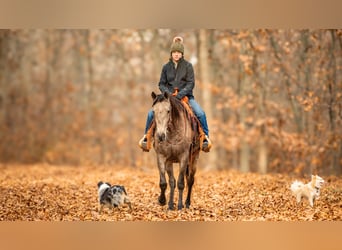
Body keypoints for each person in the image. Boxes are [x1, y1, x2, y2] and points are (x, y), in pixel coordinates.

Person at [139, 36, 212, 152]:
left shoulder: (188, 66)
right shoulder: (166, 67)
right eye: (174, 52)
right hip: (168, 98)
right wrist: (168, 94)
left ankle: (205, 139)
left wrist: (179, 95)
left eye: (178, 52)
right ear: (171, 54)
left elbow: (190, 84)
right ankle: (146, 138)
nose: (176, 54)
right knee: (150, 114)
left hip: (186, 97)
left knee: (201, 113)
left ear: (182, 54)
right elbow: (161, 84)